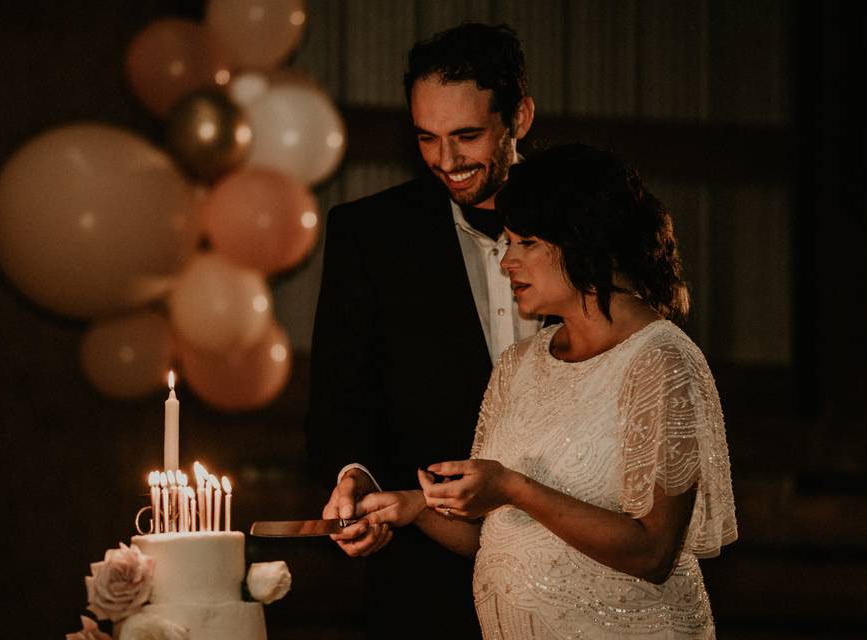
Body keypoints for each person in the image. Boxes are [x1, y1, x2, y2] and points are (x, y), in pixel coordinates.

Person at [357, 144, 739, 639]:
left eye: (526, 242)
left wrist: (515, 487)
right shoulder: (519, 365)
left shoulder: (660, 360)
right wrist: (414, 508)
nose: (506, 262)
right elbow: (493, 535)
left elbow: (654, 550)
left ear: (586, 241)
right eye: (508, 242)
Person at [304, 23, 539, 639]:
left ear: (520, 116)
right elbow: (340, 402)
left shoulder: (590, 220)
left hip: (577, 562)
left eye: (466, 135)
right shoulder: (368, 235)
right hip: (427, 584)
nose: (446, 161)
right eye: (426, 138)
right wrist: (357, 479)